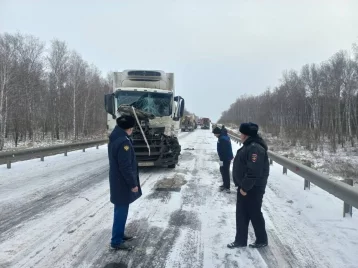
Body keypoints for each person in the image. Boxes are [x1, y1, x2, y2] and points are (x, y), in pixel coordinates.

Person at [228, 122, 269, 249]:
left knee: (254, 214)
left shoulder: (255, 148)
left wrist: (245, 188)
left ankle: (261, 240)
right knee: (242, 214)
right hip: (246, 187)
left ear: (246, 135)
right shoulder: (250, 146)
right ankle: (240, 240)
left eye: (241, 133)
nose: (240, 135)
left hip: (252, 189)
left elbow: (253, 171)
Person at [108, 115, 142, 251]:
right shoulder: (124, 142)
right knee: (121, 211)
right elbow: (125, 166)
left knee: (120, 209)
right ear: (128, 128)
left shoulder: (115, 137)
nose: (132, 130)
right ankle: (116, 241)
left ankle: (120, 235)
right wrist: (133, 184)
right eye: (132, 127)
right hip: (122, 182)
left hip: (117, 180)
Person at [213, 126, 234, 193]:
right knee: (223, 171)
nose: (214, 135)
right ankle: (225, 184)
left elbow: (224, 151)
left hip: (225, 158)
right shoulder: (223, 137)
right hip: (226, 158)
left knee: (225, 172)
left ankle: (227, 187)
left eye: (215, 134)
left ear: (218, 133)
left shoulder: (222, 139)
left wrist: (222, 160)